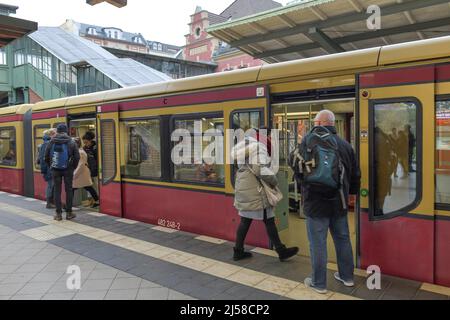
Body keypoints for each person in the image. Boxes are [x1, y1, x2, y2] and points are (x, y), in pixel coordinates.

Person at [289, 110, 360, 294]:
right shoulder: (345, 145)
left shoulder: (307, 141)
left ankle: (319, 283)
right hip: (339, 202)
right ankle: (347, 277)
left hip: (315, 202)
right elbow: (355, 174)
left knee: (318, 243)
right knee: (343, 239)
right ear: (331, 123)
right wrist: (351, 194)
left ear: (319, 123)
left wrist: (302, 184)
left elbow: (296, 167)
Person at [231, 129, 299, 262]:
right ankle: (281, 251)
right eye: (267, 135)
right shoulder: (258, 146)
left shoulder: (241, 147)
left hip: (244, 187)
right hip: (257, 190)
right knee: (269, 220)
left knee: (245, 221)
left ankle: (238, 251)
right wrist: (274, 180)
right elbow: (259, 168)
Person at [45, 124, 80, 221]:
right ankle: (69, 213)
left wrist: (52, 166)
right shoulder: (71, 142)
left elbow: (46, 157)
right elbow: (77, 157)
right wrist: (73, 167)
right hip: (68, 169)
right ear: (66, 131)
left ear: (58, 131)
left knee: (57, 191)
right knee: (69, 190)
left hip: (55, 170)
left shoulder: (51, 141)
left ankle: (58, 214)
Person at [73, 137, 99, 208]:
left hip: (82, 174)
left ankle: (68, 204)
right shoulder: (80, 151)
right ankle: (96, 200)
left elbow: (81, 165)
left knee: (72, 188)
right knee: (88, 187)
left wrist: (74, 174)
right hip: (82, 174)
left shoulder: (80, 152)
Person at [37, 128, 57, 209]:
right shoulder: (48, 144)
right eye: (55, 133)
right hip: (49, 169)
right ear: (51, 135)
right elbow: (47, 158)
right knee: (50, 185)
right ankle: (49, 203)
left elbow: (39, 160)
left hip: (47, 168)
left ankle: (51, 202)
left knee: (51, 185)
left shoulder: (44, 144)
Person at [82, 131, 99, 207]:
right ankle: (90, 200)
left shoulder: (96, 148)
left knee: (96, 186)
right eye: (84, 143)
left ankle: (97, 201)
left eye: (86, 142)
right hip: (87, 170)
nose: (85, 144)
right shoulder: (85, 148)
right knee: (89, 185)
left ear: (90, 141)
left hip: (95, 171)